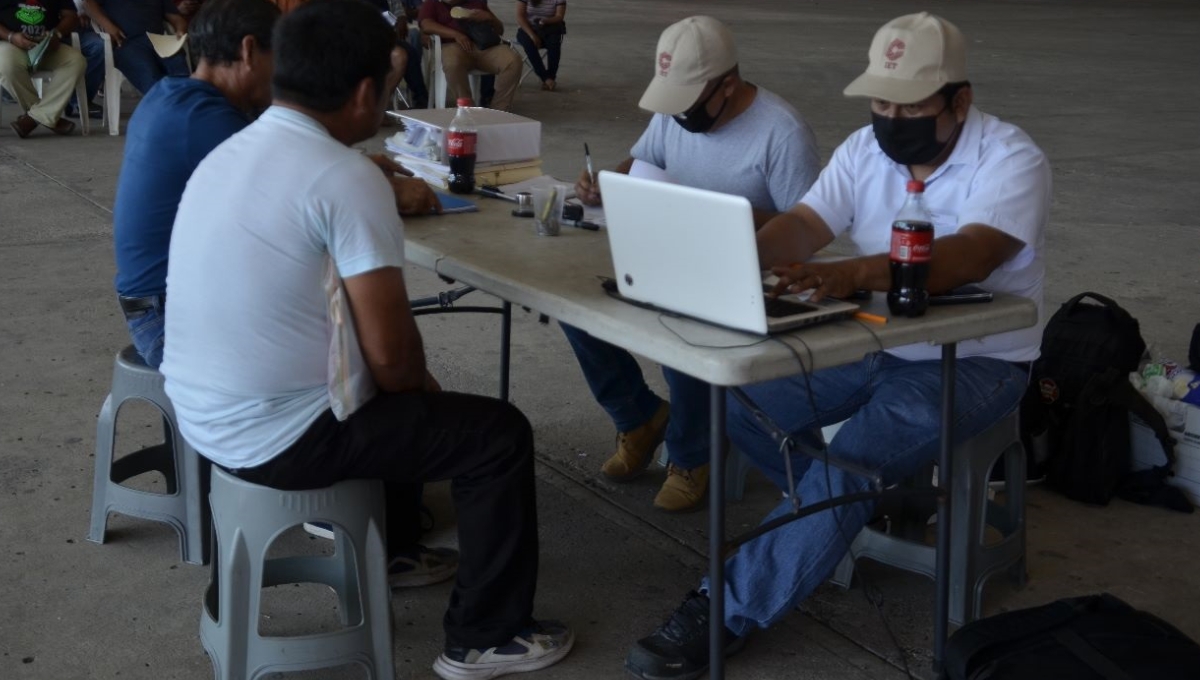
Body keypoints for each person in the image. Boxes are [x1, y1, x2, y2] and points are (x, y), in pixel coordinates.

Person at [625, 12, 1051, 679]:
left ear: (959, 101)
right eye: (880, 101)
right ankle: (828, 516)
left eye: (909, 105)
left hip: (977, 359)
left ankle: (727, 606)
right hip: (877, 339)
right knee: (740, 399)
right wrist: (720, 258)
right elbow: (804, 224)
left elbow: (971, 255)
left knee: (848, 467)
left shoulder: (1011, 157)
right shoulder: (864, 150)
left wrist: (854, 272)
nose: (889, 117)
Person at [160, 1, 573, 677]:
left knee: (386, 395)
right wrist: (427, 395)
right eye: (385, 95)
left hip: (202, 418)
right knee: (495, 434)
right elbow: (393, 360)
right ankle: (485, 635)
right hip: (276, 438)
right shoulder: (345, 178)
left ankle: (397, 547)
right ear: (361, 94)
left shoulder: (231, 147)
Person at [568, 15, 821, 513]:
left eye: (688, 103)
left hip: (750, 277)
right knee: (574, 305)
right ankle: (638, 417)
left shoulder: (781, 133)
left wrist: (719, 215)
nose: (678, 115)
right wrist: (606, 181)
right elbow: (642, 159)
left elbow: (808, 232)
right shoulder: (675, 112)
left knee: (685, 326)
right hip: (672, 255)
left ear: (727, 86)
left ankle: (691, 454)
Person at [111, 0, 438, 372]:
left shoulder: (177, 96)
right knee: (362, 353)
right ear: (249, 51)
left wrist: (356, 165)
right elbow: (298, 176)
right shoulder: (202, 120)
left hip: (171, 299)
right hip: (165, 318)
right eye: (280, 58)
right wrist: (389, 190)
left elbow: (293, 162)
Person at [0, 0, 86, 137]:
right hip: (10, 43)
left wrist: (56, 33)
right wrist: (11, 36)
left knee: (76, 60)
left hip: (46, 44)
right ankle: (47, 116)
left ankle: (34, 117)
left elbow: (71, 15)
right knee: (5, 65)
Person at [418, 0, 520, 111]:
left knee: (513, 60)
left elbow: (500, 30)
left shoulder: (476, 2)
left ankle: (499, 110)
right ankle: (467, 109)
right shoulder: (433, 3)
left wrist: (490, 18)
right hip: (452, 45)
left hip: (483, 46)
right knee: (452, 63)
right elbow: (426, 25)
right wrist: (456, 34)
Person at [79, 0, 189, 95]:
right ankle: (171, 108)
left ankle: (181, 105)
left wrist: (180, 30)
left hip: (159, 41)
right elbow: (88, 4)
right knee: (151, 78)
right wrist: (109, 26)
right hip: (126, 43)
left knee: (181, 72)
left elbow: (176, 18)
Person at [514, 0, 564, 91]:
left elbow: (559, 16)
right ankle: (545, 78)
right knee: (529, 45)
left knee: (554, 44)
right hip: (527, 29)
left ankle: (551, 77)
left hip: (549, 28)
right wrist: (532, 35)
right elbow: (520, 16)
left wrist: (545, 20)